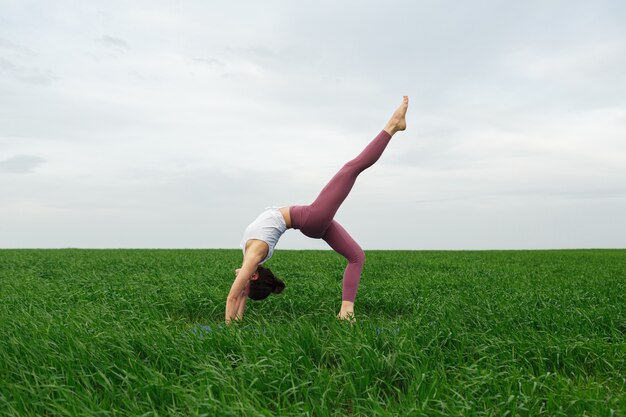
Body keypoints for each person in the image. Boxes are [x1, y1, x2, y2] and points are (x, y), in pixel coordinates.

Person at [225, 96, 409, 324]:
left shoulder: (250, 260)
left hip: (311, 222)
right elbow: (233, 296)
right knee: (350, 169)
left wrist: (235, 324)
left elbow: (240, 296)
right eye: (246, 283)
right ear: (253, 275)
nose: (241, 282)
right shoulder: (253, 257)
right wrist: (228, 327)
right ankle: (392, 125)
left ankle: (346, 312)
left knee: (356, 257)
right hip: (311, 218)